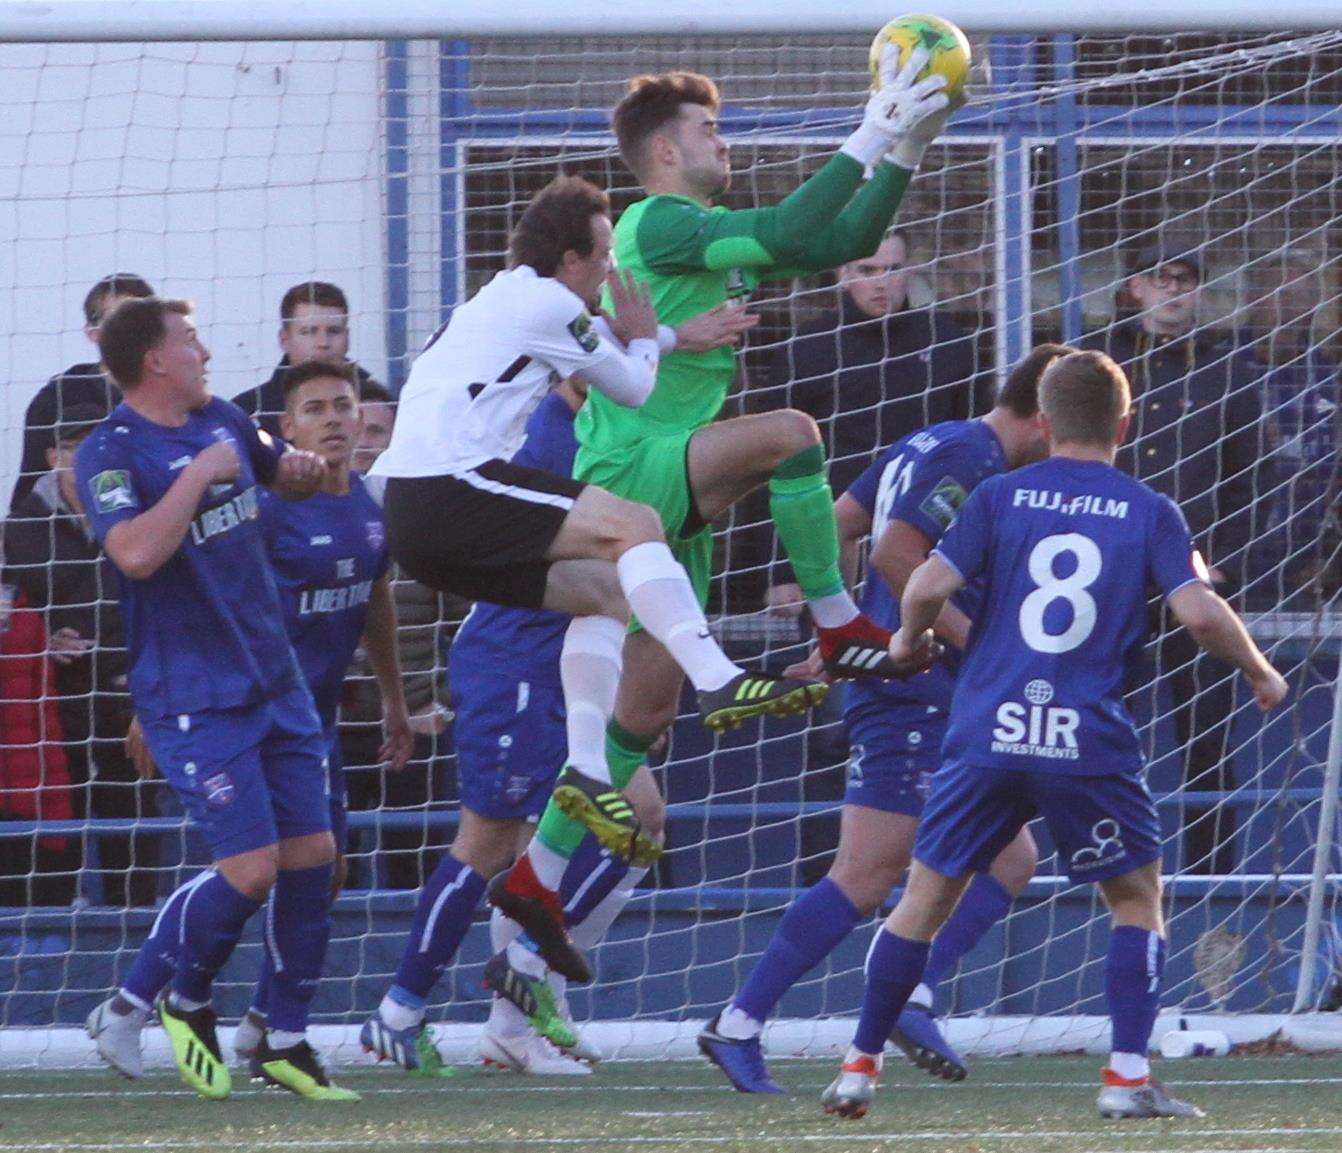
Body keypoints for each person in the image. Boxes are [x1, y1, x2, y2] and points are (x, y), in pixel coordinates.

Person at [491, 52, 953, 968]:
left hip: (666, 494)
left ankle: (533, 882)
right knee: (791, 432)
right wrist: (871, 122)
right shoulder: (659, 221)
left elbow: (822, 241)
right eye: (712, 128)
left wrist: (905, 143)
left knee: (641, 721)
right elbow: (792, 220)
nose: (725, 140)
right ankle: (836, 621)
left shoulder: (694, 226)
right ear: (664, 150)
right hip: (633, 466)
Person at [369, 175, 850, 982]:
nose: (610, 275)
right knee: (639, 524)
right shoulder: (552, 307)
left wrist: (658, 333)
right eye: (602, 259)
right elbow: (630, 384)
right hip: (444, 486)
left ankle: (589, 765)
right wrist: (646, 335)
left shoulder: (510, 298)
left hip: (419, 514)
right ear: (570, 259)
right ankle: (719, 676)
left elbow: (617, 357)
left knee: (606, 586)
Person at [819, 350, 1288, 1121]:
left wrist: (906, 641)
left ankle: (857, 1068)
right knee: (1136, 899)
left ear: (1044, 420)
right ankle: (1128, 1079)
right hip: (1086, 737)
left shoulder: (998, 494)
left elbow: (928, 582)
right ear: (1125, 423)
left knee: (921, 901)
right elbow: (1200, 612)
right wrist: (1261, 670)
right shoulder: (1150, 508)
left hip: (987, 729)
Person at [700, 345, 1070, 1094]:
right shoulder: (971, 457)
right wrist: (982, 643)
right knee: (866, 874)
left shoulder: (932, 439)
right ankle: (738, 1020)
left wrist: (836, 626)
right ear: (1042, 417)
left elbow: (838, 521)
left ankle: (914, 992)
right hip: (912, 682)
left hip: (919, 677)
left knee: (1012, 855)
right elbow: (899, 555)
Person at [86, 359, 415, 1080]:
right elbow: (198, 591)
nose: (334, 418)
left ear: (363, 418)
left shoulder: (368, 505)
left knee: (317, 870)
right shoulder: (258, 508)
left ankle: (268, 1029)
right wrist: (155, 702)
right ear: (285, 427)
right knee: (248, 870)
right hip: (233, 706)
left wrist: (394, 696)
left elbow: (376, 598)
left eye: (344, 405)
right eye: (315, 407)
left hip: (311, 715)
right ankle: (149, 996)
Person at [360, 378, 663, 1075]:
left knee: (638, 818)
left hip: (573, 665)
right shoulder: (554, 438)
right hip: (517, 663)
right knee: (490, 837)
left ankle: (515, 1008)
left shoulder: (602, 427)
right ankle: (400, 1010)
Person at [1087, 242, 1269, 876]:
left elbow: (1255, 479)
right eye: (1159, 279)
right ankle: (1104, 862)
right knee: (1101, 729)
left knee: (1208, 735)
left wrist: (1222, 563)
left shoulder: (1230, 372)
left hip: (1199, 587)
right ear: (1134, 287)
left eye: (1184, 280)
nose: (1172, 292)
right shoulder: (1096, 366)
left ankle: (1213, 874)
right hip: (1107, 585)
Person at [4, 402, 159, 907]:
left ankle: (141, 961)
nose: (93, 457)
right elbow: (7, 621)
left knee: (134, 856)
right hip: (54, 724)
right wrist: (42, 641)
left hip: (131, 710)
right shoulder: (17, 531)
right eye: (77, 446)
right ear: (52, 456)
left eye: (103, 444)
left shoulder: (144, 515)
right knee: (52, 865)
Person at [1234, 251, 1339, 601]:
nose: (1286, 308)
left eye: (1297, 297)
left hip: (1308, 568)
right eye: (1277, 294)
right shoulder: (1220, 370)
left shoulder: (1329, 380)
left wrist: (1332, 559)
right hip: (1232, 560)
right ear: (1252, 299)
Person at [11, 274, 155, 510]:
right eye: (117, 321)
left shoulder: (177, 392)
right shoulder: (58, 398)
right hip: (82, 538)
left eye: (141, 321)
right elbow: (30, 495)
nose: (130, 333)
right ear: (92, 332)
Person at [232, 281, 385, 439]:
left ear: (347, 337)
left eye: (334, 331)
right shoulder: (247, 411)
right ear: (284, 339)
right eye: (309, 332)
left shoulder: (381, 405)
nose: (323, 343)